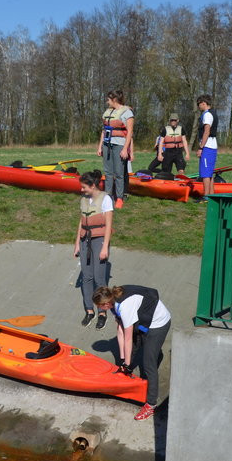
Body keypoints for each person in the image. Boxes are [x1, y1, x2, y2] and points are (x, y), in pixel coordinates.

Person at [93, 285, 172, 421]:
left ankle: (151, 404)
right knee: (134, 350)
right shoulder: (112, 303)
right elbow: (120, 331)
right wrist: (123, 361)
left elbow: (128, 338)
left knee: (148, 363)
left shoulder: (124, 306)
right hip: (145, 319)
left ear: (106, 303)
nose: (99, 309)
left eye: (100, 306)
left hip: (159, 323)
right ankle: (146, 357)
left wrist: (128, 364)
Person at [74, 170, 113, 330]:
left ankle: (102, 312)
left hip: (99, 240)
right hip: (85, 240)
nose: (82, 190)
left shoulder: (106, 199)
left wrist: (105, 247)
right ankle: (89, 310)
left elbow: (109, 224)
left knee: (99, 278)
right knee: (87, 277)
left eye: (84, 187)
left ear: (92, 185)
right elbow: (81, 222)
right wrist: (77, 243)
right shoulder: (84, 200)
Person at [97, 90, 134, 208]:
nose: (107, 102)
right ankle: (108, 197)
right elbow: (104, 131)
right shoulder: (107, 112)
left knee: (119, 173)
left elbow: (129, 133)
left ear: (114, 100)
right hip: (107, 145)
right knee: (108, 172)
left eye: (108, 99)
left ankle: (119, 197)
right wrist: (100, 147)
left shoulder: (127, 113)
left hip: (119, 145)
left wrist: (125, 149)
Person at [196, 95, 219, 201]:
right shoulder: (213, 113)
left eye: (199, 104)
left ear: (204, 103)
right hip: (213, 146)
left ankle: (206, 197)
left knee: (205, 173)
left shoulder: (207, 115)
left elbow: (206, 131)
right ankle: (211, 195)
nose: (198, 106)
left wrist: (201, 147)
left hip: (207, 147)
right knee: (210, 173)